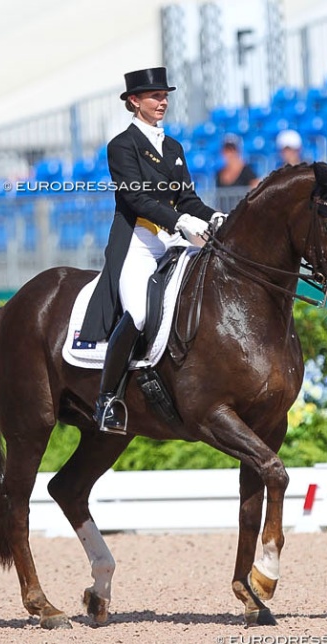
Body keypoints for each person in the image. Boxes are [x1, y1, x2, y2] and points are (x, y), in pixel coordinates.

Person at [79, 66, 225, 434]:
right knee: (141, 314)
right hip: (139, 242)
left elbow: (187, 197)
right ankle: (107, 400)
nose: (162, 102)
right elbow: (135, 196)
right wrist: (179, 222)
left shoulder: (173, 147)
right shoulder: (122, 145)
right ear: (134, 101)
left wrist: (215, 217)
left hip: (173, 242)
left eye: (165, 97)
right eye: (155, 97)